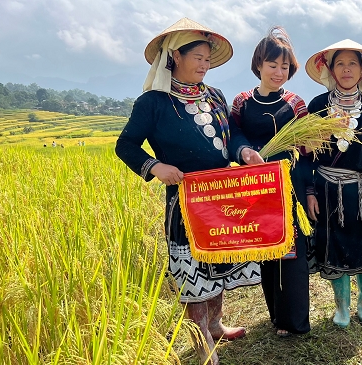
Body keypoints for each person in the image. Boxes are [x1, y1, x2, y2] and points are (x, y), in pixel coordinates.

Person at [115, 18, 264, 365]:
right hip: (185, 200)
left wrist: (243, 153)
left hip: (222, 196)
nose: (203, 64)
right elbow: (125, 146)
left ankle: (215, 324)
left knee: (218, 264)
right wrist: (155, 167)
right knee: (193, 273)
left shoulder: (215, 96)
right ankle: (201, 343)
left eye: (207, 58)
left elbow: (233, 137)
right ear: (174, 58)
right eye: (196, 56)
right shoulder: (152, 103)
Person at [303, 40, 362, 328]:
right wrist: (310, 191)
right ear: (330, 69)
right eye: (340, 63)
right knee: (333, 249)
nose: (346, 69)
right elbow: (308, 155)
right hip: (326, 190)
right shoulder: (317, 106)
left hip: (361, 192)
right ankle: (341, 308)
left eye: (352, 63)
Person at [230, 27, 311, 338]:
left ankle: (296, 323)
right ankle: (276, 317)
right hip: (256, 192)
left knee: (292, 255)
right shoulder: (241, 102)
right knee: (267, 252)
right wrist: (245, 152)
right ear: (259, 64)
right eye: (273, 65)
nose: (280, 72)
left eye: (286, 67)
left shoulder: (295, 103)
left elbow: (306, 146)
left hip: (289, 189)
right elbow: (233, 136)